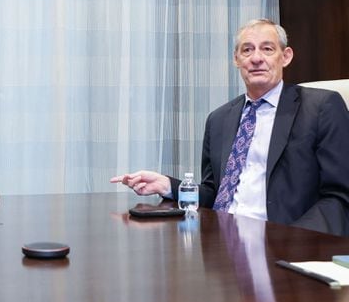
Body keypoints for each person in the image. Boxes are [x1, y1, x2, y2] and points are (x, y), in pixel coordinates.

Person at [111, 18, 349, 235]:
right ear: (236, 59)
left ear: (285, 56)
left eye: (267, 49)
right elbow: (215, 193)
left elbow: (339, 197)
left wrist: (291, 239)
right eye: (247, 50)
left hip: (285, 242)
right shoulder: (219, 119)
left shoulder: (321, 108)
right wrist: (169, 185)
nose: (256, 58)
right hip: (220, 242)